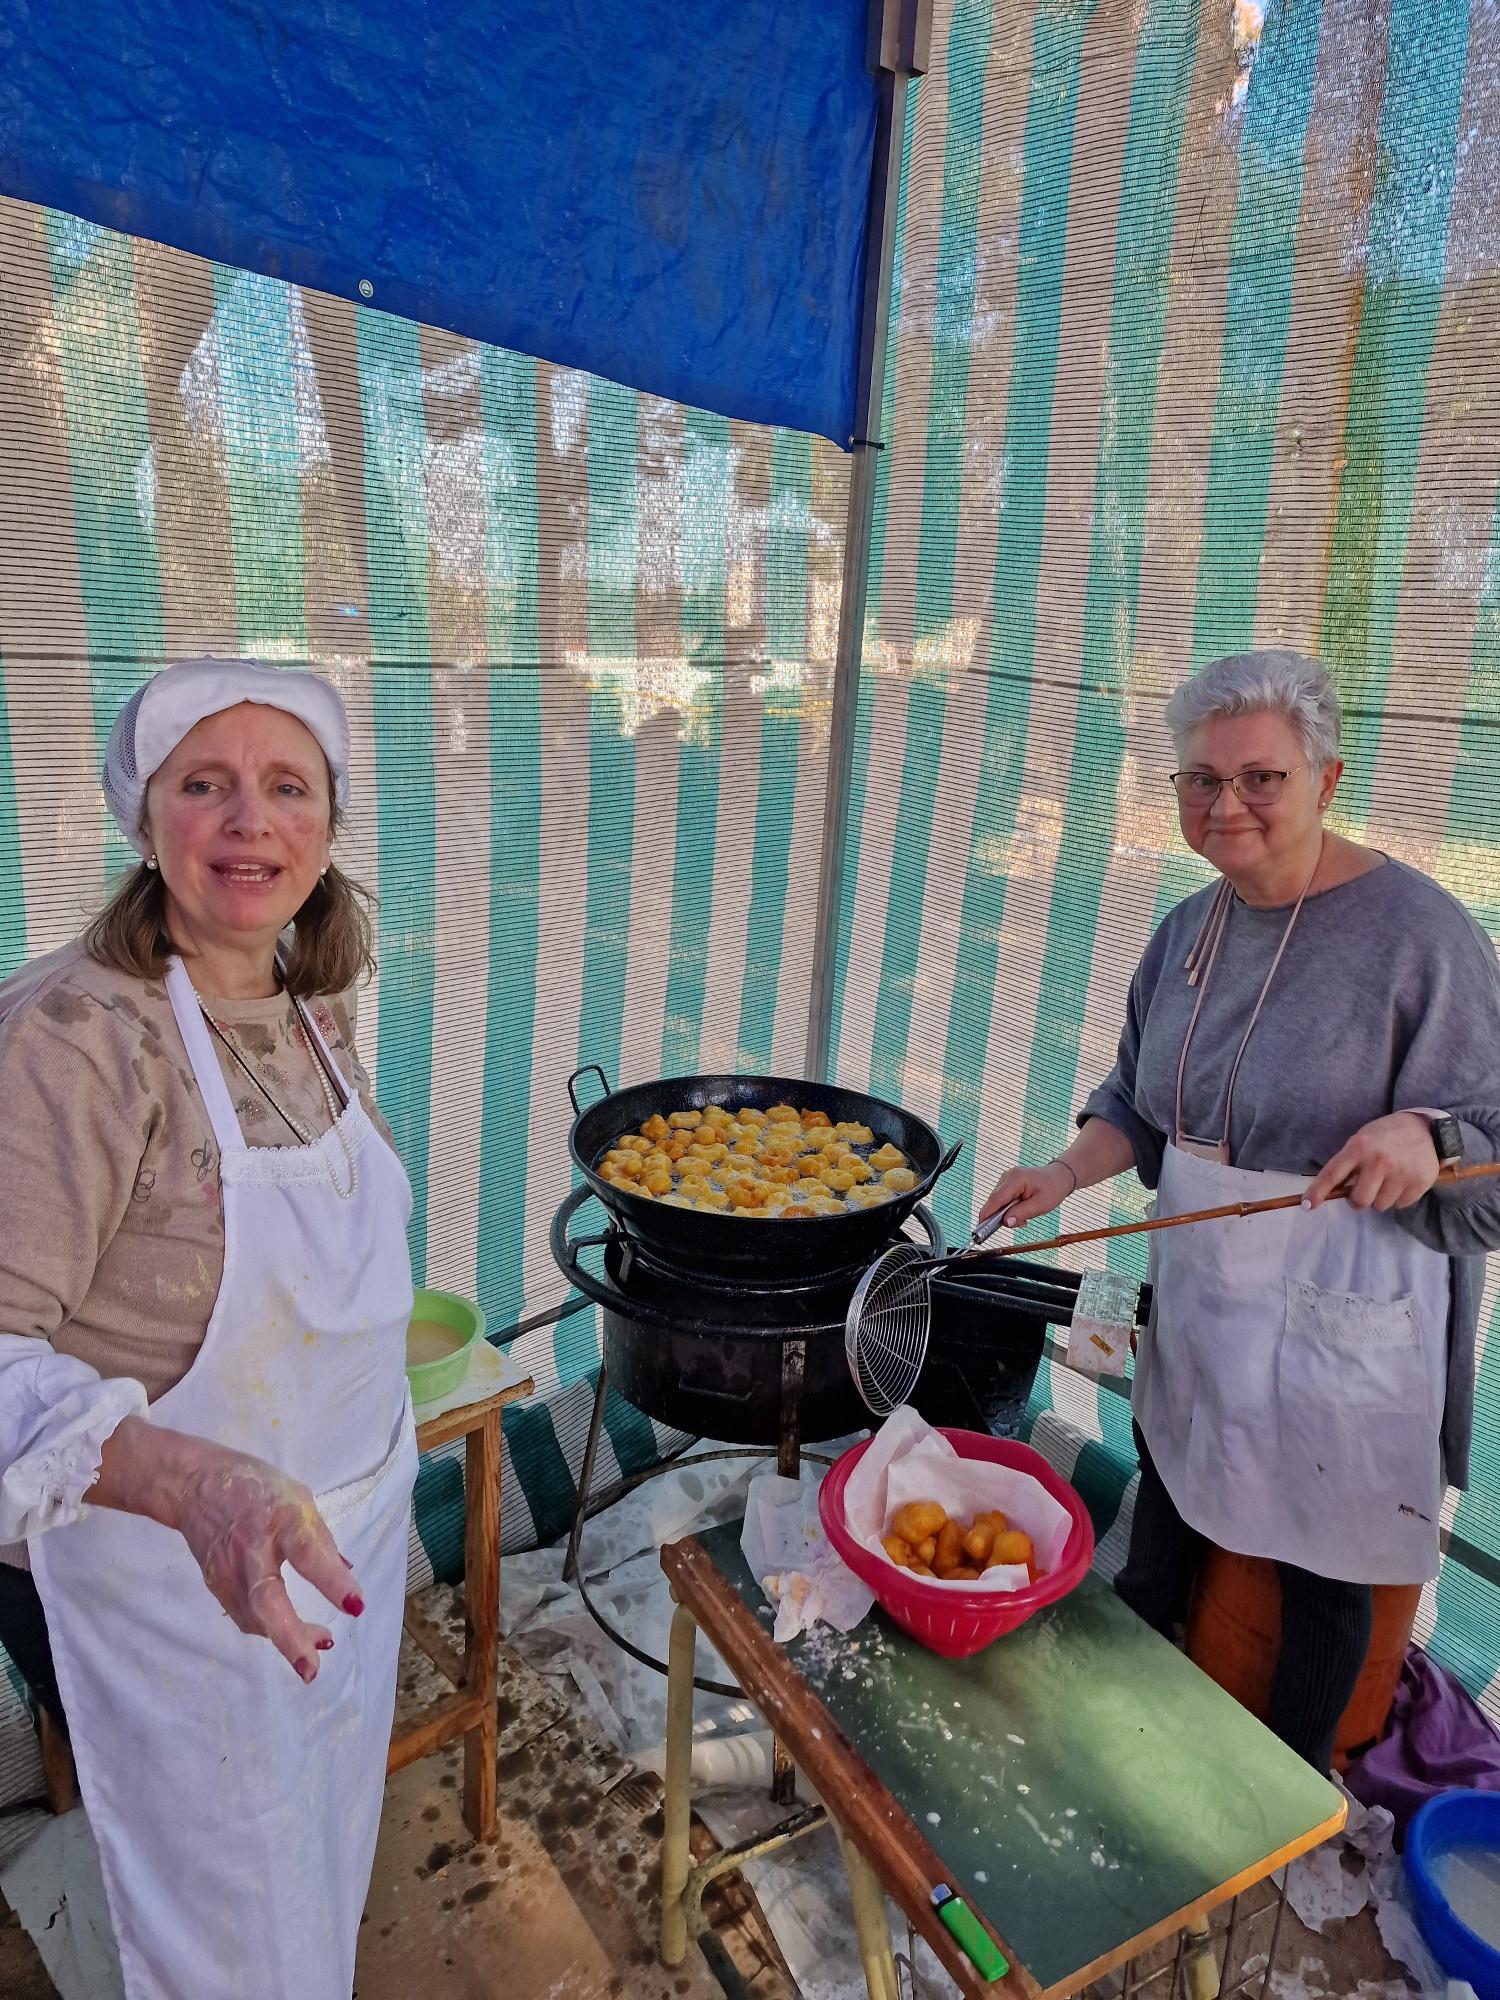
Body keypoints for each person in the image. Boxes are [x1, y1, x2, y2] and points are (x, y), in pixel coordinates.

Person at [981, 651, 1500, 1772]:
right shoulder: (1186, 933)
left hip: (1346, 1312)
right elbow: (1139, 1104)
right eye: (1201, 781)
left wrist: (1431, 1142)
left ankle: (1287, 1782)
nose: (1227, 806)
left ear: (1326, 777)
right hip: (1208, 1295)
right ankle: (1115, 1705)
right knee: (1171, 1486)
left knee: (1322, 1571)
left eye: (1261, 777)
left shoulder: (1422, 938)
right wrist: (1063, 1173)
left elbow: (1490, 1145)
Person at [0, 658, 417, 1995]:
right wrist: (194, 1487)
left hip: (337, 1558)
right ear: (145, 820)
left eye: (288, 786)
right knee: (222, 1937)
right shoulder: (75, 1042)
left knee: (313, 1871)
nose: (250, 821)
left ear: (328, 827)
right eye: (205, 785)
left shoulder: (304, 998)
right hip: (169, 1591)